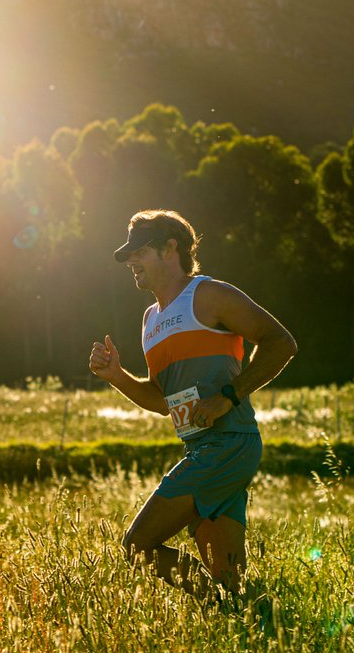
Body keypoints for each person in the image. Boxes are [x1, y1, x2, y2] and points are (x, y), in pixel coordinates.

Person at [89, 209, 296, 600]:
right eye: (129, 256)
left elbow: (280, 343)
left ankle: (217, 607)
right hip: (200, 446)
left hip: (228, 443)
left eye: (140, 252)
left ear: (171, 248)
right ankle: (240, 620)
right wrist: (117, 376)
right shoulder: (150, 319)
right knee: (232, 586)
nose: (131, 262)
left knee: (137, 545)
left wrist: (229, 397)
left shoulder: (209, 294)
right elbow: (161, 400)